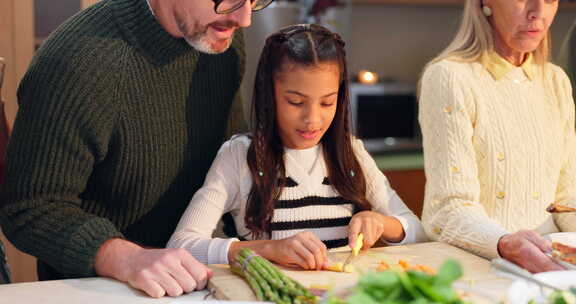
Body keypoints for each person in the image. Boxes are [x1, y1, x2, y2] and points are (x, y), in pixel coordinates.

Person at [0, 0, 274, 298]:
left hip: (208, 273)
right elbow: (29, 207)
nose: (244, 18)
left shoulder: (219, 33)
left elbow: (228, 159)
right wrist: (126, 258)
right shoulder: (78, 60)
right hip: (105, 290)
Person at [167, 24, 427, 270]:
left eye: (327, 103)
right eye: (295, 102)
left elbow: (418, 231)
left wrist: (382, 224)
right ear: (270, 94)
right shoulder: (239, 156)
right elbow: (183, 245)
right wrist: (268, 249)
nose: (312, 119)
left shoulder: (351, 153)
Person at [419, 0, 576, 273]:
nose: (538, 11)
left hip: (552, 269)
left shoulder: (555, 81)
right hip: (479, 271)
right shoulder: (449, 77)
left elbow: (567, 197)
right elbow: (448, 210)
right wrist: (505, 243)